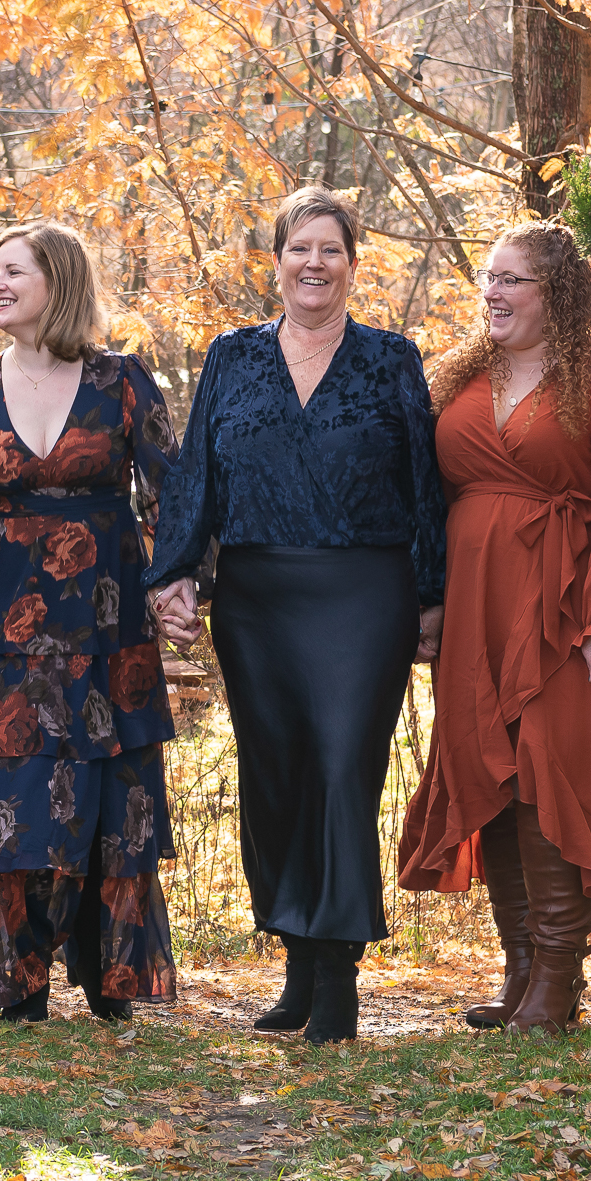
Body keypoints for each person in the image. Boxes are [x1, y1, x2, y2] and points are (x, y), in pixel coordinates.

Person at [145, 185, 446, 1045]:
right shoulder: (232, 356)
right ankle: (298, 964)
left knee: (344, 769)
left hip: (365, 592)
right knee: (275, 776)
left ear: (352, 264)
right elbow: (197, 474)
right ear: (276, 261)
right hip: (257, 597)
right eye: (299, 248)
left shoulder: (390, 357)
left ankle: (338, 974)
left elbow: (425, 484)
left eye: (331, 249)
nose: (315, 263)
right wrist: (174, 573)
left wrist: (432, 595)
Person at [396, 220, 591, 1035]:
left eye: (511, 279)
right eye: (488, 277)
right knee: (490, 775)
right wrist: (430, 599)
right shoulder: (461, 378)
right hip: (477, 612)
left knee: (550, 773)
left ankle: (557, 983)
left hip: (564, 611)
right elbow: (432, 498)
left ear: (556, 293)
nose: (492, 292)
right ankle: (520, 972)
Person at [0, 221, 184, 1023]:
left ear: (61, 281)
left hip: (108, 628)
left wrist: (180, 585)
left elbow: (170, 494)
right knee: (9, 794)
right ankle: (18, 981)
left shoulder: (123, 381)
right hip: (2, 629)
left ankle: (110, 981)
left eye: (15, 270)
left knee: (109, 797)